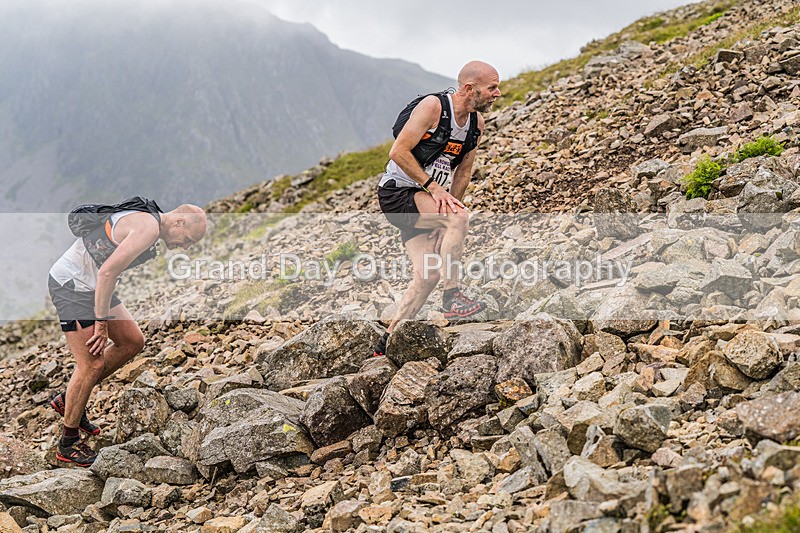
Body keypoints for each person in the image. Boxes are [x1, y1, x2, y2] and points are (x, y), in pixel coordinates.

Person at [48, 201, 207, 466]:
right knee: (91, 363)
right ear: (178, 222)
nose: (186, 247)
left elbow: (107, 271)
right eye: (188, 240)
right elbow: (108, 271)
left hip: (95, 286)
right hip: (72, 285)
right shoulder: (148, 227)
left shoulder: (150, 222)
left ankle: (70, 399)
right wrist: (101, 323)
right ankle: (68, 442)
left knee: (132, 341)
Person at [374, 60, 501, 356]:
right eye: (492, 87)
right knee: (458, 218)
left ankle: (387, 342)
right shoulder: (434, 107)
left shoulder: (476, 124)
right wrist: (435, 191)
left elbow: (464, 173)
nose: (497, 93)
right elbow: (399, 151)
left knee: (428, 274)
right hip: (397, 194)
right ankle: (453, 298)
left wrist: (445, 217)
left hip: (425, 200)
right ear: (469, 89)